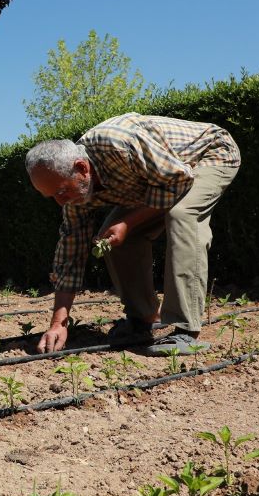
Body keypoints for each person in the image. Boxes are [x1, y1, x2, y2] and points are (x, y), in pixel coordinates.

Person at [25, 112, 240, 355]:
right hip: (159, 180)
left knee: (182, 215)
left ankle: (185, 329)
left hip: (208, 154)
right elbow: (70, 255)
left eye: (62, 191)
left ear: (81, 168)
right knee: (114, 240)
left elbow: (178, 182)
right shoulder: (75, 198)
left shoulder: (119, 144)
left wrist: (128, 223)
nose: (60, 202)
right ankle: (144, 319)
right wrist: (58, 325)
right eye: (51, 196)